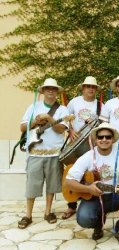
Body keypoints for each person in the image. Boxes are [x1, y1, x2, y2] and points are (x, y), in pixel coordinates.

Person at [65, 122, 119, 246]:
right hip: (94, 196)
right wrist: (88, 189)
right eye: (100, 137)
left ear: (112, 139)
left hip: (116, 190)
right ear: (96, 139)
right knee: (84, 218)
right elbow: (69, 181)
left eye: (108, 137)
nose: (104, 139)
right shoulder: (88, 156)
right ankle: (98, 224)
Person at [18, 78, 69, 229]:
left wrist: (50, 119)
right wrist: (34, 122)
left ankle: (48, 212)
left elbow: (61, 129)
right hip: (35, 152)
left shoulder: (63, 110)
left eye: (53, 89)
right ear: (43, 91)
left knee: (52, 186)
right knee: (31, 185)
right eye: (48, 88)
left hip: (54, 153)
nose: (51, 91)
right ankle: (28, 215)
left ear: (57, 92)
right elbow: (22, 127)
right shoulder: (33, 107)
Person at [62, 76, 102, 220]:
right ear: (83, 88)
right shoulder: (74, 102)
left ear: (96, 90)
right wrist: (70, 130)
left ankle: (89, 201)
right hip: (75, 144)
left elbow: (102, 125)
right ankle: (71, 205)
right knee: (72, 171)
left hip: (91, 146)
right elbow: (66, 118)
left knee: (91, 173)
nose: (91, 89)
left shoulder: (100, 105)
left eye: (93, 87)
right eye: (88, 87)